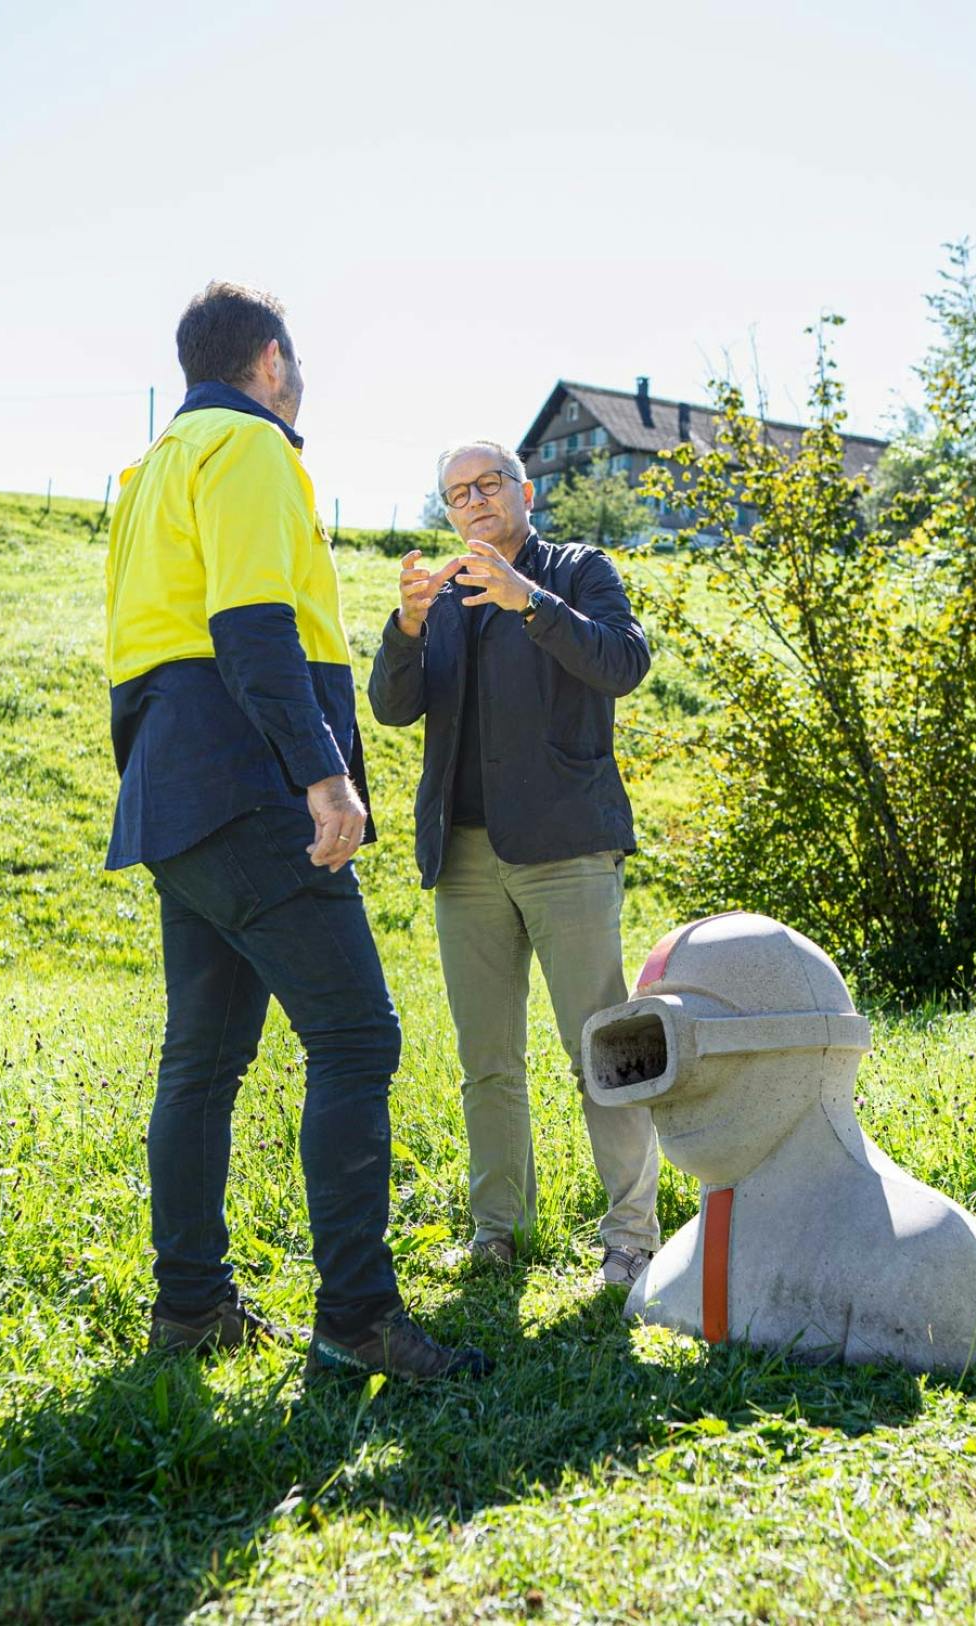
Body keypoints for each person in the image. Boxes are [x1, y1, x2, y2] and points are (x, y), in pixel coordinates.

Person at [103, 281, 489, 1381]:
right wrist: (322, 777)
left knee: (203, 1062)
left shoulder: (146, 474)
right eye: (297, 358)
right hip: (249, 788)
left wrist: (161, 791)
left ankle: (189, 1309)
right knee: (357, 1037)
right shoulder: (254, 448)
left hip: (175, 795)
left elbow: (137, 658)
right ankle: (359, 1318)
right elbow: (252, 625)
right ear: (270, 360)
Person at [368, 440, 661, 1287]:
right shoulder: (445, 597)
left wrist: (528, 599)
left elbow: (623, 662)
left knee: (600, 1046)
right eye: (455, 492)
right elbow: (392, 708)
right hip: (463, 859)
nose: (472, 501)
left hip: (567, 847)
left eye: (487, 484)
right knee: (486, 1058)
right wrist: (408, 628)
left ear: (525, 492)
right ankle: (498, 1232)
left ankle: (631, 1235)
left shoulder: (577, 569)